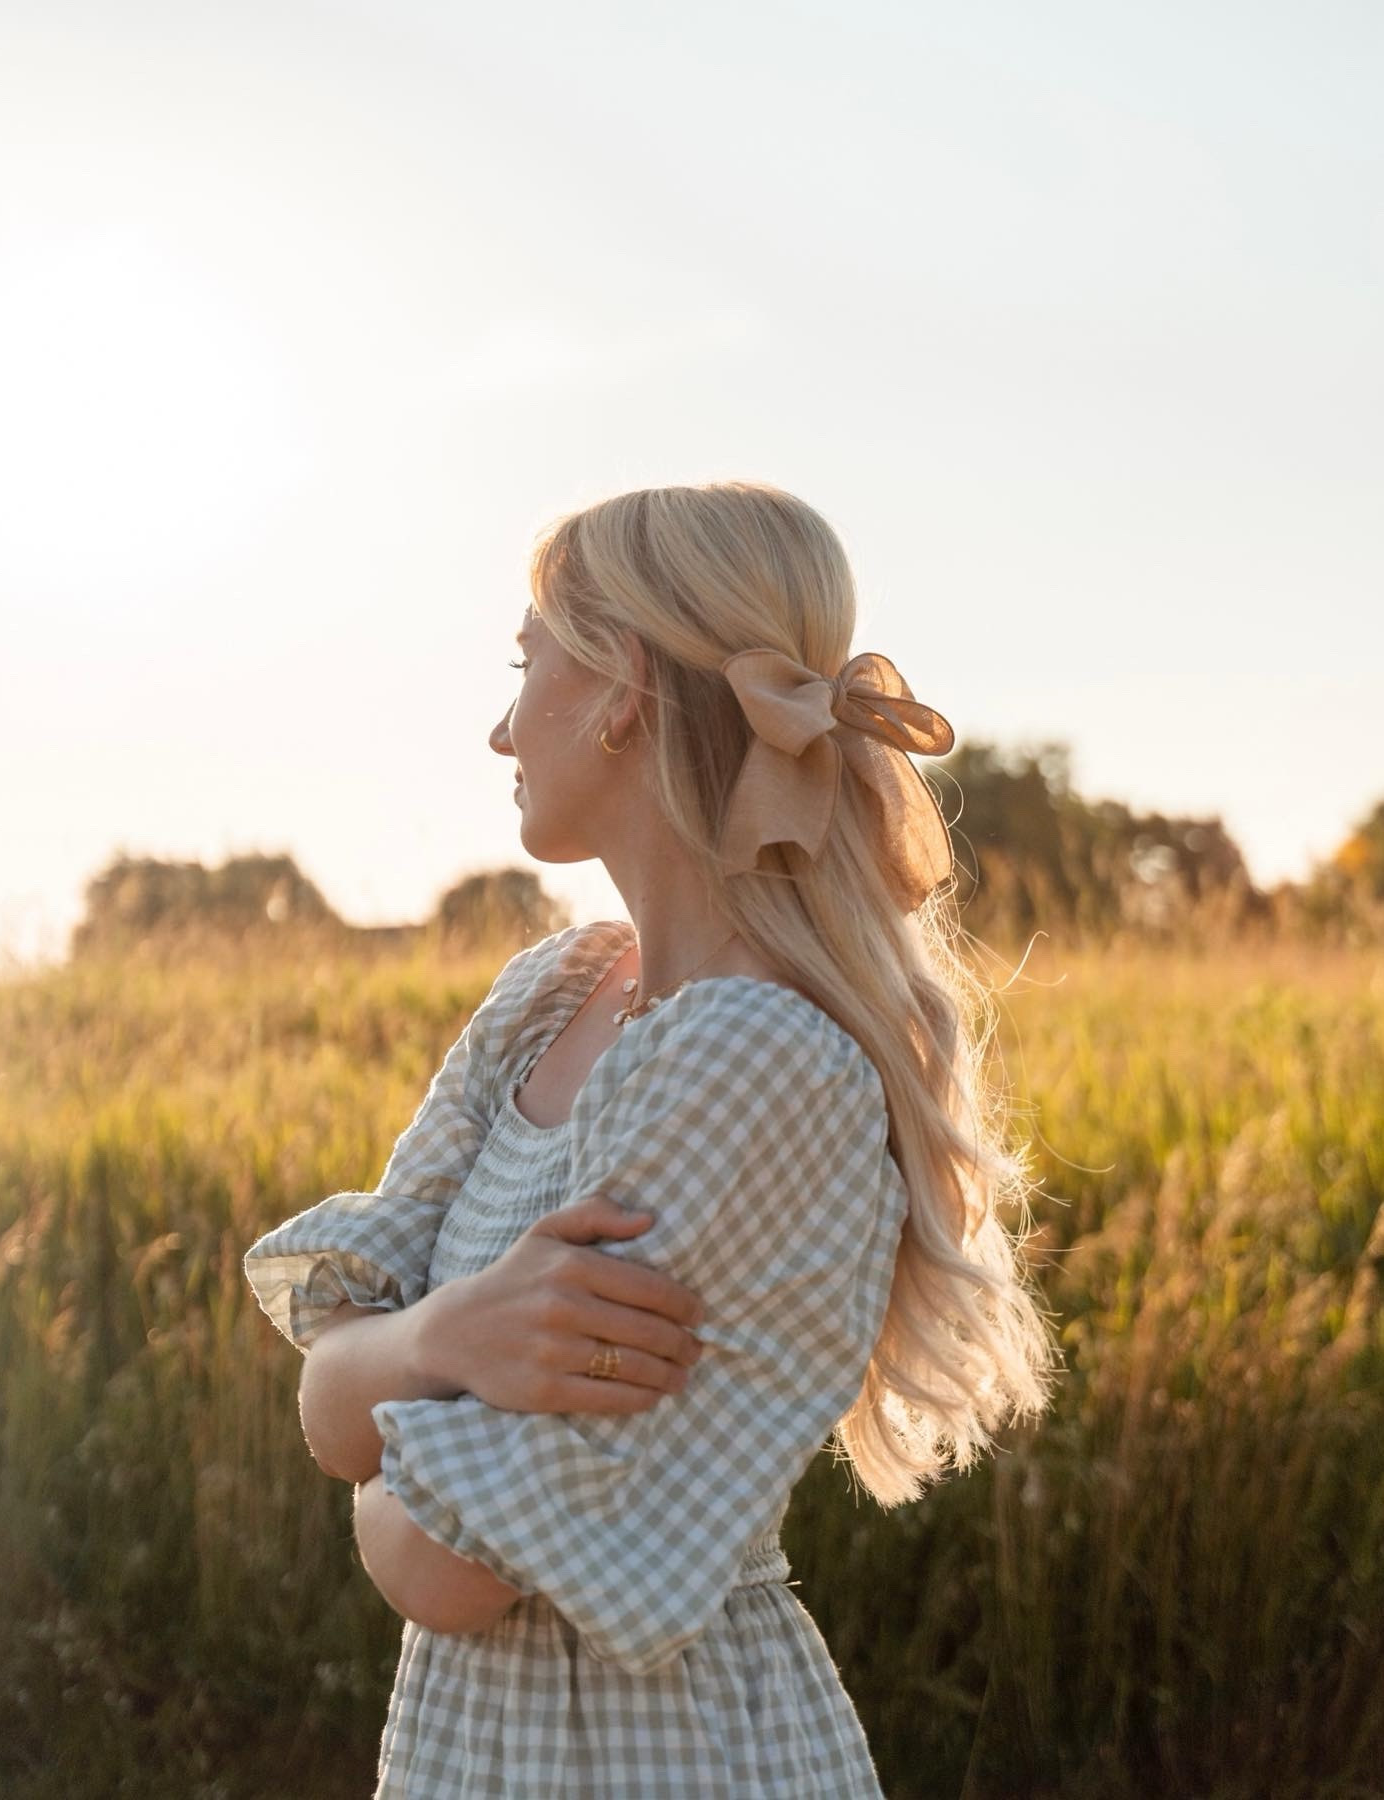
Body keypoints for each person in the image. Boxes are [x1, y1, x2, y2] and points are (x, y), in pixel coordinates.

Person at [242, 480, 1059, 1798]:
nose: (502, 727)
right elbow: (342, 1379)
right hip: (478, 1749)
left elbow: (446, 1567)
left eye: (527, 663)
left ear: (620, 683)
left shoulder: (749, 1056)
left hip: (656, 1754)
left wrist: (371, 1390)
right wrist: (441, 1349)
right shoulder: (550, 999)